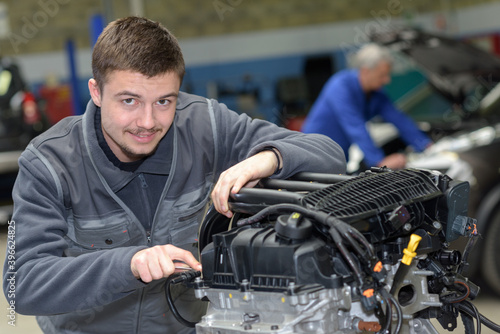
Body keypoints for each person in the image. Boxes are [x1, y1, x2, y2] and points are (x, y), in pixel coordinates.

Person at [2, 16, 346, 334]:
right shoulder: (49, 162)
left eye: (164, 101)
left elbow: (328, 154)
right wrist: (130, 263)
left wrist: (268, 159)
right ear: (96, 91)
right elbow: (21, 283)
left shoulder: (204, 125)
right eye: (129, 101)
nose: (148, 121)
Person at [301, 43, 432, 170]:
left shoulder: (376, 93)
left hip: (339, 155)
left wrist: (426, 145)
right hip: (314, 154)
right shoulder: (340, 86)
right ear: (365, 71)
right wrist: (379, 162)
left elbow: (398, 118)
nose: (387, 80)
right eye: (382, 75)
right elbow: (356, 127)